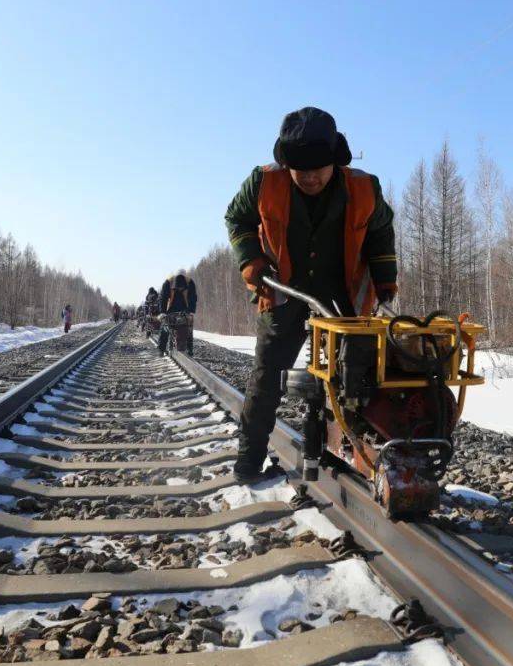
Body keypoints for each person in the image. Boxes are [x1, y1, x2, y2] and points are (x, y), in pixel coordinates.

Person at [224, 106, 397, 483]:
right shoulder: (263, 181)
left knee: (357, 380)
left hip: (343, 297)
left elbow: (382, 230)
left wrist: (386, 277)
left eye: (317, 169)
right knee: (267, 378)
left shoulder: (364, 187)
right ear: (287, 163)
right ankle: (247, 463)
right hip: (283, 291)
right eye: (300, 171)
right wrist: (250, 260)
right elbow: (237, 219)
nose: (310, 178)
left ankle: (364, 459)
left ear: (335, 160)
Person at [158, 273, 198, 356]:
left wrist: (191, 312)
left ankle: (190, 350)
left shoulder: (190, 283)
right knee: (165, 327)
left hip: (185, 308)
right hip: (170, 308)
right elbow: (163, 298)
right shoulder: (167, 283)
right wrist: (162, 312)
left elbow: (193, 298)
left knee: (189, 327)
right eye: (178, 288)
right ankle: (161, 349)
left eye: (182, 288)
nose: (180, 289)